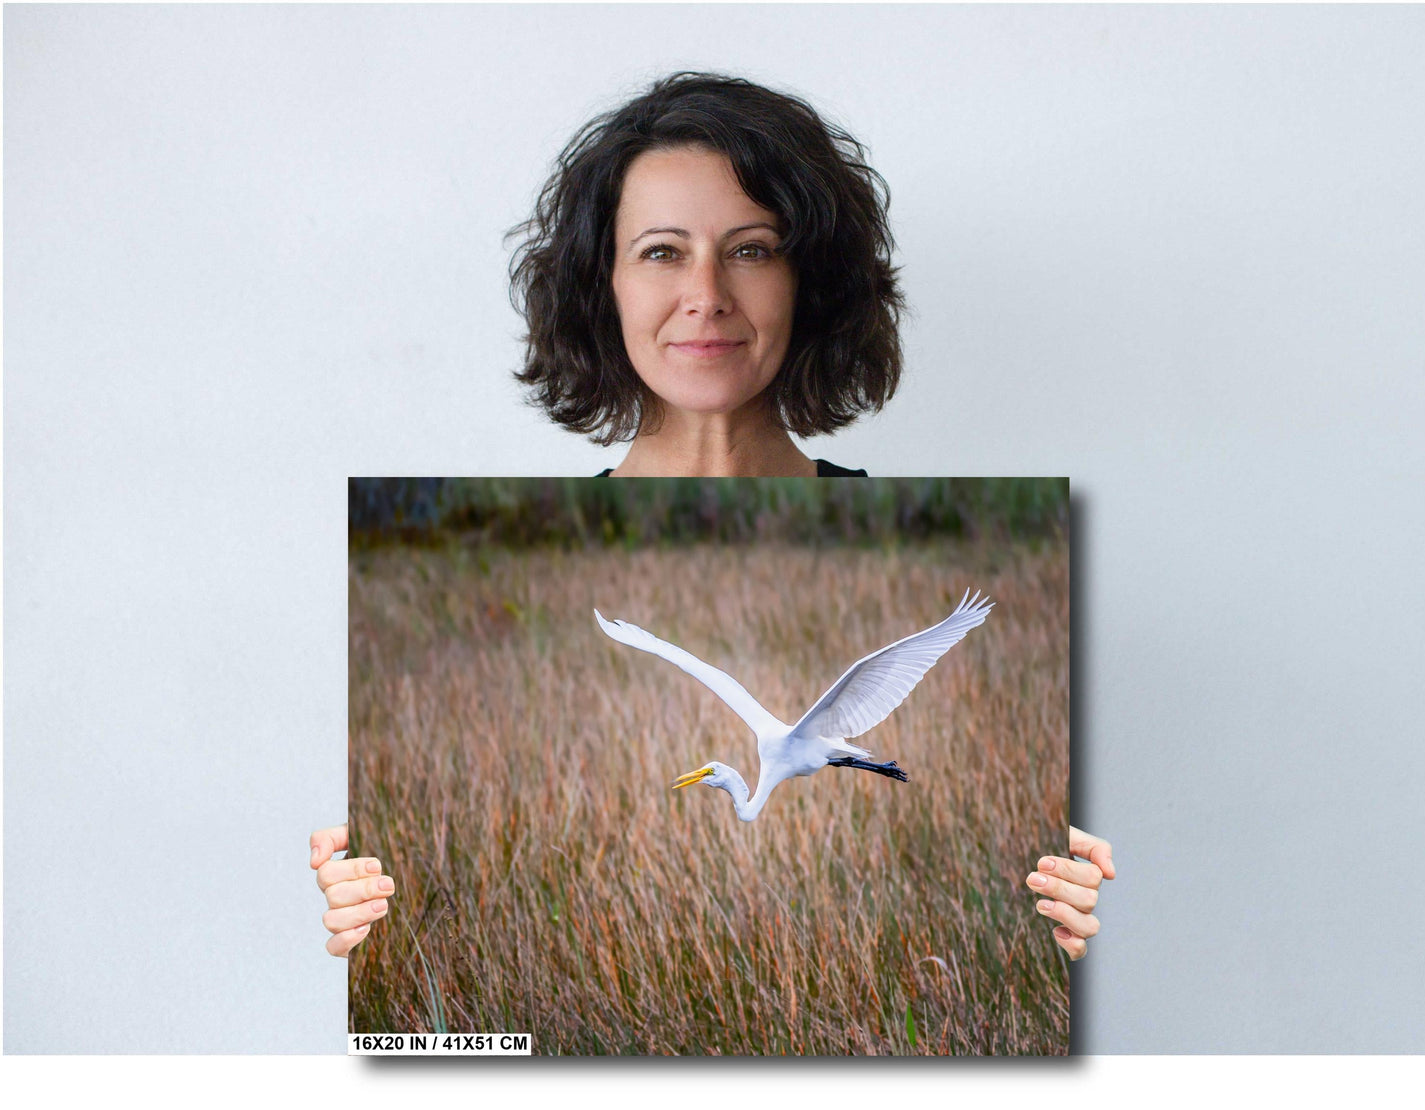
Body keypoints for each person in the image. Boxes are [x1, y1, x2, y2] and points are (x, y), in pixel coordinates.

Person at [317, 72, 1114, 961]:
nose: (706, 294)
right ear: (602, 285)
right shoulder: (529, 530)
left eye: (751, 249)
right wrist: (369, 921)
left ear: (809, 282)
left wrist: (1058, 914)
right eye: (661, 251)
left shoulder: (959, 529)